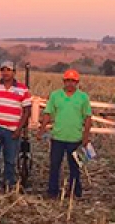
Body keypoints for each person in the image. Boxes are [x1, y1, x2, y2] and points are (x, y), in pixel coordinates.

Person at [39, 69, 93, 199]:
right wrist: (42, 129)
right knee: (54, 166)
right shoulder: (55, 95)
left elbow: (87, 118)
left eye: (73, 81)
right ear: (63, 81)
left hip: (75, 138)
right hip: (57, 137)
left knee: (75, 167)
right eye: (67, 80)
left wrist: (85, 137)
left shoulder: (83, 97)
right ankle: (53, 192)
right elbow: (48, 113)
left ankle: (75, 191)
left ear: (77, 82)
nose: (70, 83)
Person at [0, 60, 32, 195]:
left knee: (10, 160)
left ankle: (9, 186)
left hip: (12, 131)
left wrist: (19, 129)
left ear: (14, 72)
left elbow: (27, 110)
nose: (5, 73)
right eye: (3, 70)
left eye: (8, 70)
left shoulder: (22, 89)